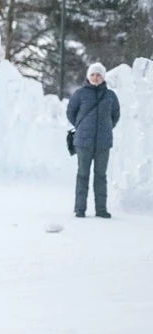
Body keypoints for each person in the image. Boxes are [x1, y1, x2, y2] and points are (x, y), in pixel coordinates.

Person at [67, 62, 120, 219]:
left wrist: (107, 128)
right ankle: (80, 209)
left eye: (98, 75)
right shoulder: (79, 94)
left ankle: (101, 209)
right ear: (88, 76)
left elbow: (115, 116)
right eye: (93, 75)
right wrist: (81, 127)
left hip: (103, 143)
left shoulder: (110, 96)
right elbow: (71, 113)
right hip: (83, 142)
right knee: (82, 175)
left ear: (103, 77)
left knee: (101, 176)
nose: (95, 78)